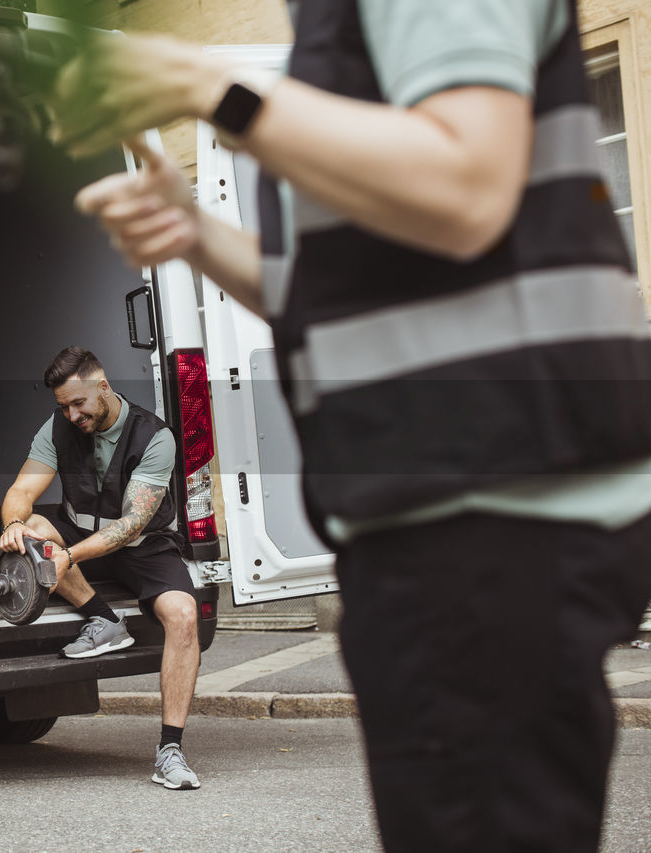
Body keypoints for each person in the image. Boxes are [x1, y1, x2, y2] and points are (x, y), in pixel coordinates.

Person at [53, 2, 651, 850]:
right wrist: (196, 232)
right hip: (448, 508)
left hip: (493, 504)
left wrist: (204, 82)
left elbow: (464, 186)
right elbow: (345, 291)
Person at [0, 346, 202, 790]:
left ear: (103, 387)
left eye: (79, 403)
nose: (72, 415)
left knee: (184, 616)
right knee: (33, 527)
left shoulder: (155, 437)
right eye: (63, 406)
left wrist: (69, 557)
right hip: (78, 534)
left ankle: (170, 752)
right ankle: (104, 619)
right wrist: (14, 524)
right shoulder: (58, 427)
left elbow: (131, 526)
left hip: (143, 545)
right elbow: (22, 488)